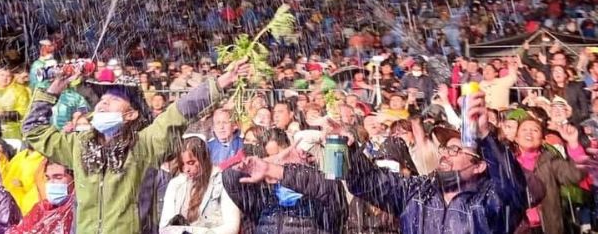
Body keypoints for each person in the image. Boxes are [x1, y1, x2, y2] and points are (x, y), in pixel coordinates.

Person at [235, 91, 530, 234]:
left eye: (455, 151)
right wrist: (349, 150)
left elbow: (515, 187)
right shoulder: (419, 191)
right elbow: (369, 182)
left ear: (479, 165)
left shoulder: (492, 200)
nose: (444, 155)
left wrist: (486, 136)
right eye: (444, 150)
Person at [22, 58, 250, 233]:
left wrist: (220, 83)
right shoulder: (77, 145)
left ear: (131, 114)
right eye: (101, 99)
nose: (103, 102)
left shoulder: (143, 146)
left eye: (113, 98)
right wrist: (53, 90)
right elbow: (32, 129)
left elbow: (179, 111)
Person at [223, 130, 348, 234]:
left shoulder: (321, 191)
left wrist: (278, 170)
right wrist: (273, 161)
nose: (280, 162)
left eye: (282, 154)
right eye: (271, 157)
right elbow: (230, 176)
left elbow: (329, 189)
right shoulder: (264, 198)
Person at [514, 118, 586, 234]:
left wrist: (573, 143)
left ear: (543, 139)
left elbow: (575, 174)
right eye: (524, 130)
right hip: (517, 228)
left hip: (546, 227)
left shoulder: (550, 160)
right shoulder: (508, 164)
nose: (529, 133)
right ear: (516, 138)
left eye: (535, 130)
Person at [159, 136, 240, 234]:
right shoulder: (175, 184)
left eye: (191, 163)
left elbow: (232, 228)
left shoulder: (223, 181)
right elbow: (164, 228)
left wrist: (194, 232)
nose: (186, 169)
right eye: (183, 164)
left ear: (204, 159)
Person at [7, 160, 76, 234]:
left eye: (58, 178)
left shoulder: (81, 211)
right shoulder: (41, 208)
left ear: (75, 179)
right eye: (48, 178)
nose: (51, 183)